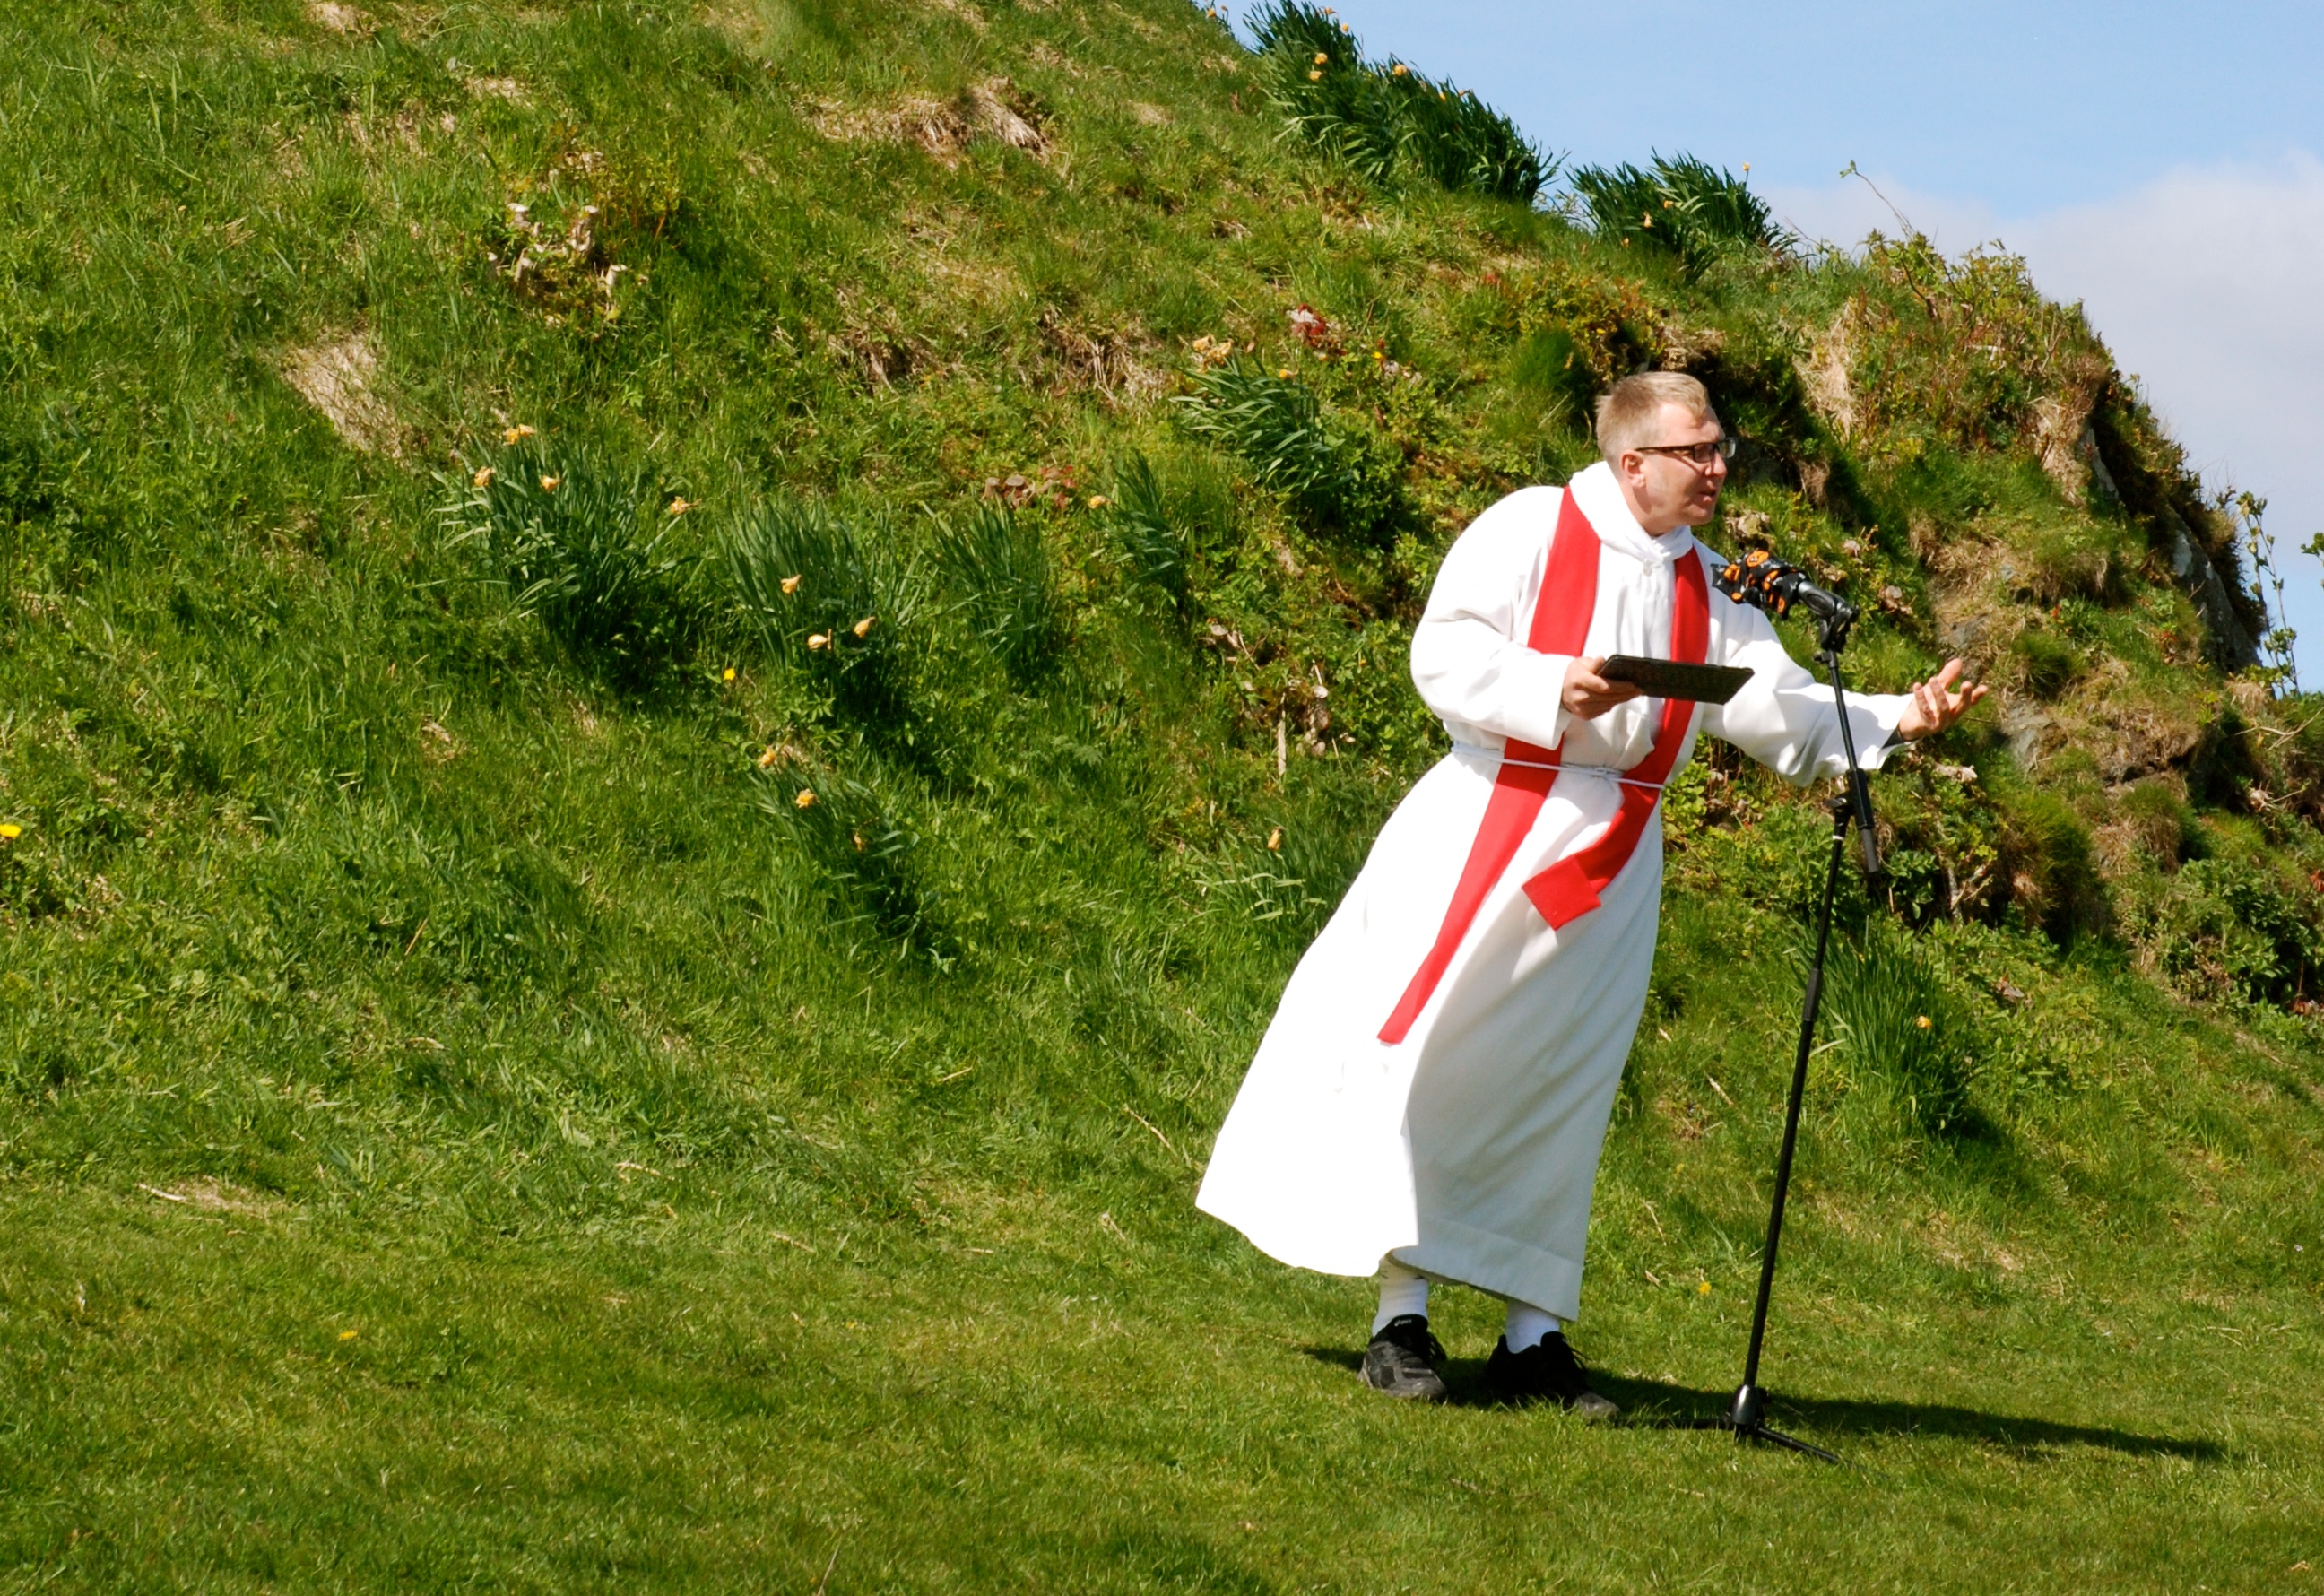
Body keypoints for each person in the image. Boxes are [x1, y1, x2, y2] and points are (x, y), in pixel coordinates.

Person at [1195, 372, 1985, 1415]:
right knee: (1432, 1059)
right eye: (1697, 450)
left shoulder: (1708, 580)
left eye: (1720, 448)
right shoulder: (1532, 526)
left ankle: (1531, 1338)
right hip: (1491, 822)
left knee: (1562, 1086)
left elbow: (1780, 708)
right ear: (1633, 461)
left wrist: (1896, 717)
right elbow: (1444, 651)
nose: (1717, 467)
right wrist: (1551, 685)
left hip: (1616, 858)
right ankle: (1400, 1318)